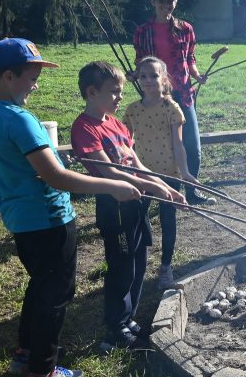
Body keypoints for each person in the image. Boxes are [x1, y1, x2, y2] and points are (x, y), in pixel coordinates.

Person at [0, 39, 142, 377]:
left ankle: (25, 353)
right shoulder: (19, 120)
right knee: (56, 294)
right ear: (9, 76)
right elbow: (56, 177)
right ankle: (43, 373)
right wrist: (110, 187)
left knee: (40, 286)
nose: (36, 84)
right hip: (48, 218)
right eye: (32, 76)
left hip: (22, 218)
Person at [70, 61, 184, 352]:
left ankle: (129, 317)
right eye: (114, 92)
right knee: (121, 265)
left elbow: (136, 163)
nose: (120, 97)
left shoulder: (116, 123)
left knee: (138, 260)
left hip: (136, 203)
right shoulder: (85, 128)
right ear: (92, 92)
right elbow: (110, 172)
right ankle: (115, 330)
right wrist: (154, 186)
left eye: (121, 91)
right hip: (114, 207)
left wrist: (165, 185)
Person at [122, 56, 200, 288]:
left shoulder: (171, 108)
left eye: (154, 75)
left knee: (167, 219)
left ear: (164, 79)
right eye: (143, 76)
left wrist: (184, 172)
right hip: (142, 174)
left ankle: (166, 267)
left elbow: (178, 144)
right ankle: (138, 261)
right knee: (138, 216)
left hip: (168, 174)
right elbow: (126, 142)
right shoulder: (132, 110)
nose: (148, 80)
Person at [133, 0, 214, 205]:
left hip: (183, 93)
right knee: (161, 145)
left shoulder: (185, 28)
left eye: (170, 1)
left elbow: (191, 59)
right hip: (156, 96)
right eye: (161, 1)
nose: (165, 5)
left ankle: (192, 191)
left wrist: (197, 76)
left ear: (175, 4)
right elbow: (140, 61)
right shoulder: (142, 31)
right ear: (153, 2)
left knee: (192, 145)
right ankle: (162, 189)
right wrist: (136, 74)